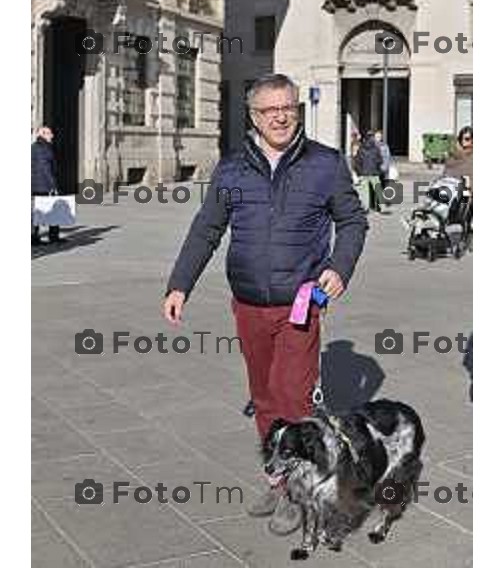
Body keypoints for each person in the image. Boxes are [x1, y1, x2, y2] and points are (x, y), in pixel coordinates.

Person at [163, 74, 368, 535]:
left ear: (298, 109)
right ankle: (280, 480)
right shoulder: (233, 168)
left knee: (293, 399)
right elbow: (206, 229)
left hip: (300, 304)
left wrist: (338, 268)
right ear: (253, 116)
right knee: (263, 399)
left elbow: (353, 221)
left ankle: (299, 492)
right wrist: (180, 285)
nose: (280, 116)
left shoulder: (325, 164)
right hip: (249, 303)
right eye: (269, 109)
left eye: (287, 107)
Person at [31, 126, 61, 244]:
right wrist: (53, 185)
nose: (52, 135)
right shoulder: (41, 148)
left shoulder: (38, 147)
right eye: (49, 133)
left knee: (38, 210)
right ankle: (51, 236)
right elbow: (45, 168)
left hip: (37, 184)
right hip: (42, 185)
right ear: (42, 134)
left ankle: (36, 237)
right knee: (52, 208)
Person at [354, 130, 383, 212]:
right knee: (378, 189)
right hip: (374, 172)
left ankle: (365, 207)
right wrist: (377, 168)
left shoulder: (361, 149)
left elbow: (357, 162)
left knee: (365, 192)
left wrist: (359, 172)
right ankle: (381, 206)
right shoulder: (376, 149)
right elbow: (380, 160)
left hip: (364, 173)